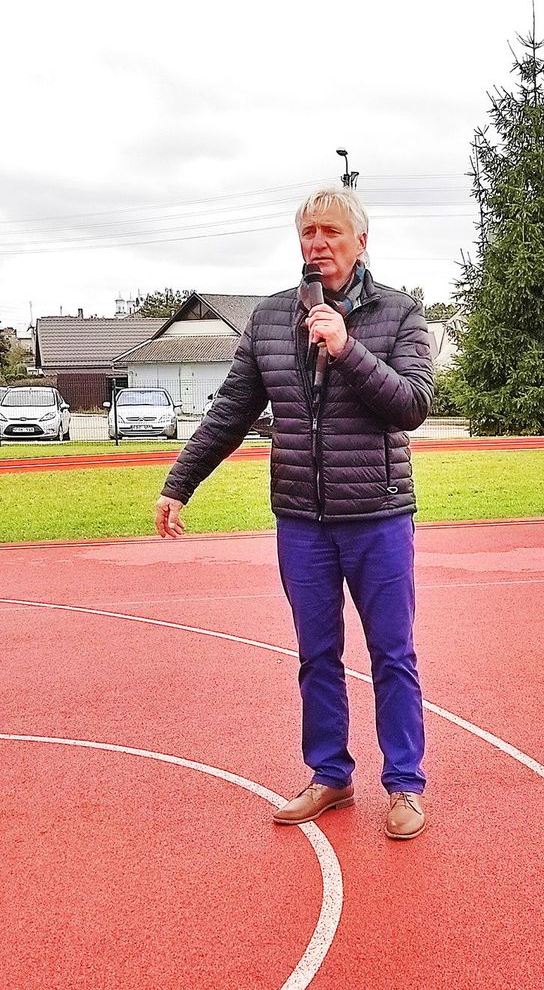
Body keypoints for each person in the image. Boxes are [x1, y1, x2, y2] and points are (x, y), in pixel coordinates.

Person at [155, 186, 434, 840]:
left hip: (378, 515)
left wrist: (347, 348)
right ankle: (330, 774)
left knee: (392, 654)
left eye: (331, 231)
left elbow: (412, 405)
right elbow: (230, 412)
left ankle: (404, 784)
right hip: (302, 520)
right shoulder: (270, 318)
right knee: (317, 655)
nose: (318, 243)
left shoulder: (400, 314)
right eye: (309, 232)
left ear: (360, 241)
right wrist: (179, 483)